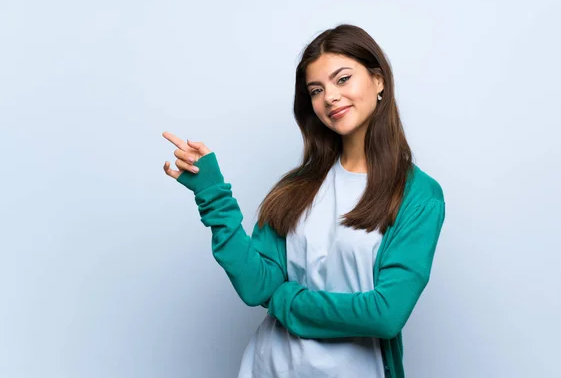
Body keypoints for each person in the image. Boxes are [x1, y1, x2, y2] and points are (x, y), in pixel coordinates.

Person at [162, 24, 446, 378]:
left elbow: (386, 314)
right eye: (317, 89)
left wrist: (285, 300)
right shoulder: (297, 188)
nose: (330, 97)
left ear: (378, 80)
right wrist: (213, 196)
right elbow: (257, 287)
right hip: (268, 367)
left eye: (342, 79)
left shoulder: (419, 195)